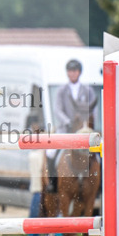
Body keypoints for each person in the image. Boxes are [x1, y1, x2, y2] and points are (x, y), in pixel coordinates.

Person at [47, 59, 98, 191]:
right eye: (70, 71)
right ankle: (52, 183)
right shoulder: (61, 91)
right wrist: (67, 122)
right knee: (51, 152)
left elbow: (94, 110)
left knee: (98, 154)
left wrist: (90, 126)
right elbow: (57, 109)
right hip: (66, 129)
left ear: (79, 72)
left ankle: (99, 183)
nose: (72, 73)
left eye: (74, 71)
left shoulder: (88, 90)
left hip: (84, 130)